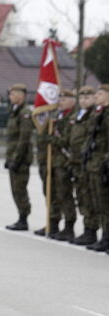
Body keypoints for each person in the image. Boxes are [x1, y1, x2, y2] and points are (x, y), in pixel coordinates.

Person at [68, 86, 99, 245]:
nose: (84, 100)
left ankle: (91, 230)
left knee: (90, 198)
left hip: (88, 162)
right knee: (81, 196)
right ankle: (87, 229)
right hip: (76, 162)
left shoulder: (94, 116)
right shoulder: (77, 116)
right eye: (81, 98)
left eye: (88, 97)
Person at [82, 84, 109, 252]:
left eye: (99, 94)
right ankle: (103, 236)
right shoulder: (98, 114)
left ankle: (106, 237)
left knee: (105, 203)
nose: (96, 96)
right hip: (94, 163)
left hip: (103, 164)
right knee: (97, 202)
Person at [49, 89, 78, 241]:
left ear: (72, 101)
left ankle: (69, 226)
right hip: (56, 161)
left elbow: (66, 141)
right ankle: (54, 223)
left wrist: (52, 138)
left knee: (66, 195)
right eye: (60, 99)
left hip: (65, 161)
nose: (60, 101)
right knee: (56, 194)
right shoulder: (59, 117)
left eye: (64, 99)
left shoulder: (72, 118)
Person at [4, 84, 33, 231]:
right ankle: (21, 216)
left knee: (20, 189)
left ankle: (24, 218)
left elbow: (24, 138)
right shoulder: (14, 111)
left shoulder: (25, 113)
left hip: (21, 159)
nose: (10, 97)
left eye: (13, 94)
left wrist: (16, 158)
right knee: (15, 189)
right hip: (13, 157)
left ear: (21, 96)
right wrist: (8, 158)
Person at [34, 91, 62, 237]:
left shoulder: (58, 119)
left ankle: (55, 223)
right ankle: (50, 222)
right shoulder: (47, 117)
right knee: (48, 192)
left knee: (57, 194)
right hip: (44, 159)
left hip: (58, 161)